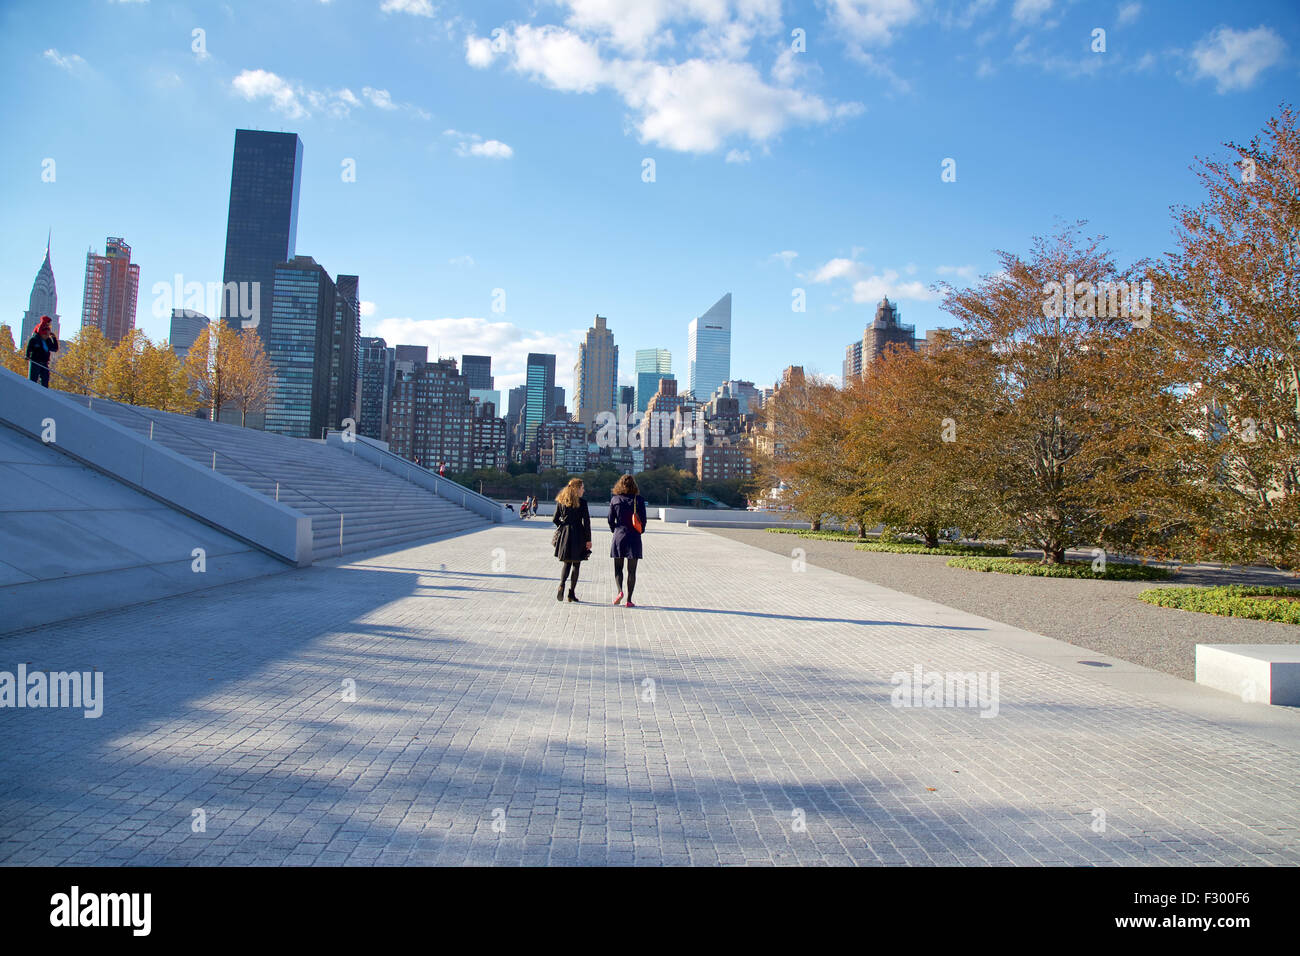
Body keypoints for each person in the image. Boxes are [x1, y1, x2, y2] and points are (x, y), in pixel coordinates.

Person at [607, 473, 648, 607]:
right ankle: (629, 600)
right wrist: (640, 531)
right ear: (634, 485)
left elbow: (609, 519)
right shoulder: (639, 500)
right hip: (634, 537)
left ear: (620, 485)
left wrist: (615, 530)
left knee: (618, 568)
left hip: (619, 536)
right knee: (632, 571)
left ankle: (620, 591)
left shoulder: (615, 500)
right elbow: (644, 520)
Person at [552, 478, 592, 602]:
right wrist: (588, 539)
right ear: (576, 488)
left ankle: (562, 585)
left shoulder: (561, 501)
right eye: (582, 488)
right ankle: (571, 593)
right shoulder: (582, 502)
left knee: (567, 562)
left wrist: (562, 526)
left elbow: (555, 519)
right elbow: (586, 522)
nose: (583, 490)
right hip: (578, 534)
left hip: (565, 534)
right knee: (576, 564)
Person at [24, 315, 58, 388]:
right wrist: (27, 355)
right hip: (35, 362)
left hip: (44, 363)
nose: (47, 336)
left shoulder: (48, 340)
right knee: (32, 380)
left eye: (48, 335)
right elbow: (29, 348)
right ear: (42, 333)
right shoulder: (35, 339)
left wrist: (54, 338)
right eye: (46, 334)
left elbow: (55, 349)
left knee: (45, 380)